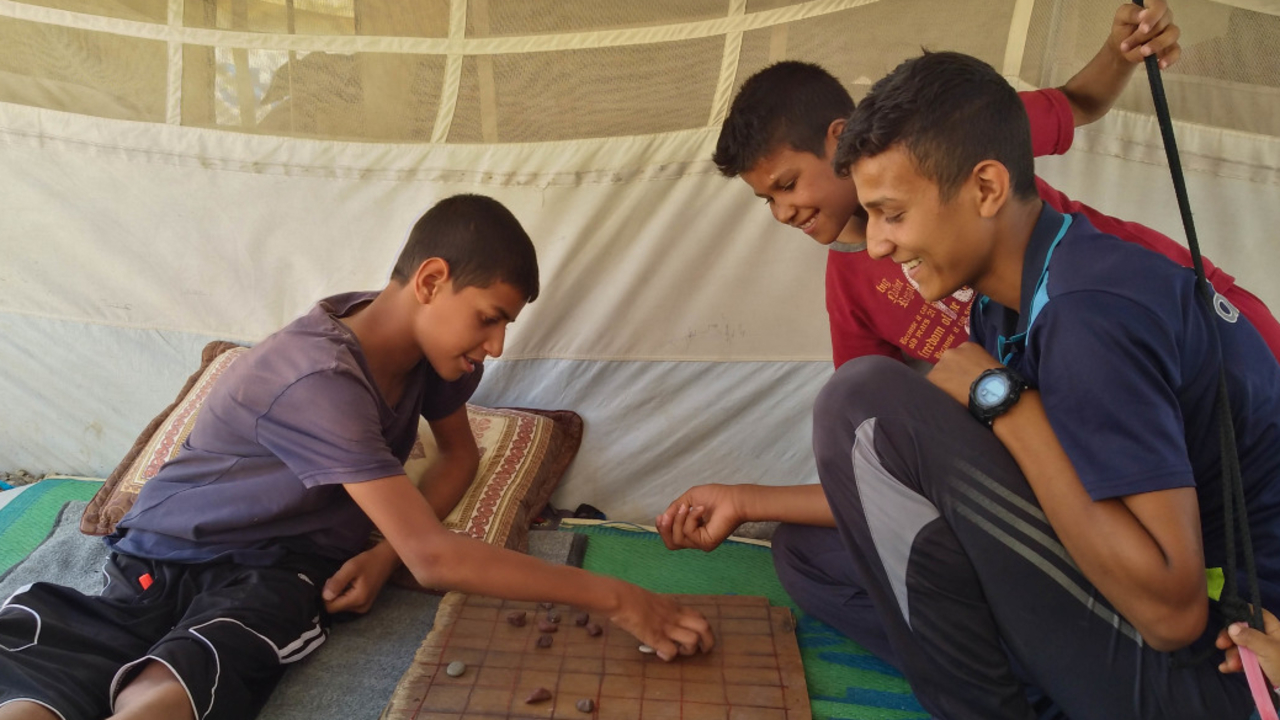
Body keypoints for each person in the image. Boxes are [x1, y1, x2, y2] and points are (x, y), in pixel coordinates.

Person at [656, 0, 1280, 671]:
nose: (782, 213)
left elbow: (1077, 102)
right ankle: (1037, 653)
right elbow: (876, 463)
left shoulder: (958, 143)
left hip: (1168, 395)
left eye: (786, 185)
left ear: (986, 188)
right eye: (765, 201)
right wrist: (751, 501)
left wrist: (1120, 48)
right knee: (808, 554)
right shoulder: (908, 297)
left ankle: (1069, 662)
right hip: (1056, 456)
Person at [0, 195, 714, 720]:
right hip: (160, 555)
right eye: (490, 317)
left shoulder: (433, 354)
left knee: (190, 676)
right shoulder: (317, 378)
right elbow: (437, 558)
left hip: (272, 572)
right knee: (48, 686)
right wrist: (622, 599)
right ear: (431, 280)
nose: (496, 346)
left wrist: (381, 557)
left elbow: (457, 461)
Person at [812, 48, 1280, 718]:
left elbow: (1172, 614)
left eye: (892, 213)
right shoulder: (1009, 299)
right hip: (1160, 606)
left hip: (1231, 667)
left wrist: (1002, 402)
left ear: (986, 189)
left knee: (860, 407)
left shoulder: (1089, 316)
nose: (879, 246)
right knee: (809, 557)